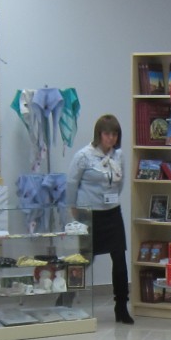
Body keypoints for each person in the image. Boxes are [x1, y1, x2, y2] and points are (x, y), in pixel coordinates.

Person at [67, 114, 132, 324]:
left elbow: (121, 182)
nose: (111, 138)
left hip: (112, 212)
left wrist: (112, 200)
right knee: (85, 258)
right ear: (99, 134)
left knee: (119, 259)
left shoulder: (119, 155)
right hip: (89, 213)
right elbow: (72, 183)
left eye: (115, 134)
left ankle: (121, 306)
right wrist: (73, 207)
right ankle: (65, 298)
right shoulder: (84, 156)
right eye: (107, 134)